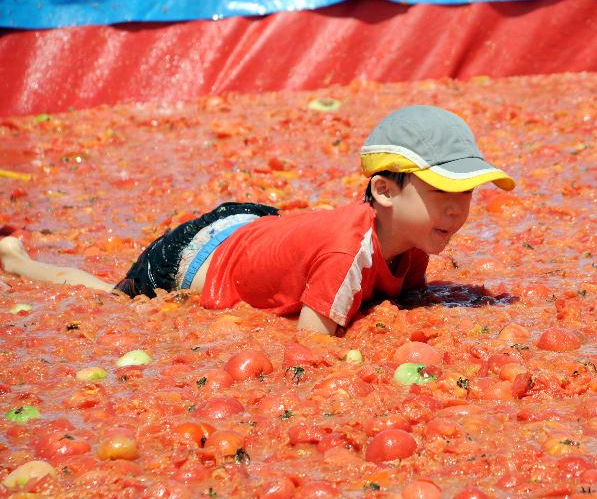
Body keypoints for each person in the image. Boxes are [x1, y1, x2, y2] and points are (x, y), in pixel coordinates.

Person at [0, 105, 515, 335]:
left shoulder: (416, 236)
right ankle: (19, 261)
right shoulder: (348, 255)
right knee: (108, 300)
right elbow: (313, 347)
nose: (458, 209)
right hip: (194, 257)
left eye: (467, 194)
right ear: (383, 190)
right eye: (442, 192)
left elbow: (398, 298)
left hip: (257, 227)